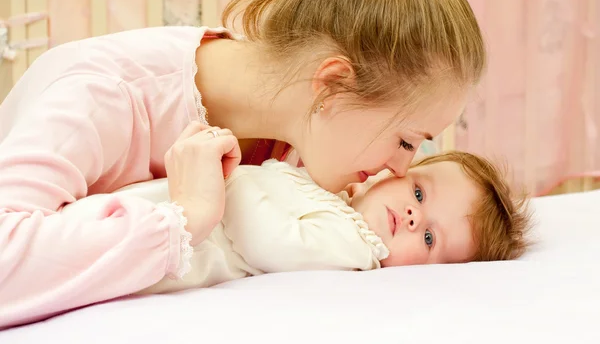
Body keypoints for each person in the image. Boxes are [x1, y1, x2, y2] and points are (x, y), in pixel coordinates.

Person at [0, 0, 485, 329]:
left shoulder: (296, 138)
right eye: (406, 140)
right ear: (333, 85)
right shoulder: (103, 95)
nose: (401, 167)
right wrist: (185, 219)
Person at [59, 125, 531, 297]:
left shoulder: (353, 247)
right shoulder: (338, 201)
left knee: (73, 246)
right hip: (162, 210)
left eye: (429, 239)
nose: (411, 217)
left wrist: (231, 180)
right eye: (421, 195)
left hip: (175, 252)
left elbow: (264, 241)